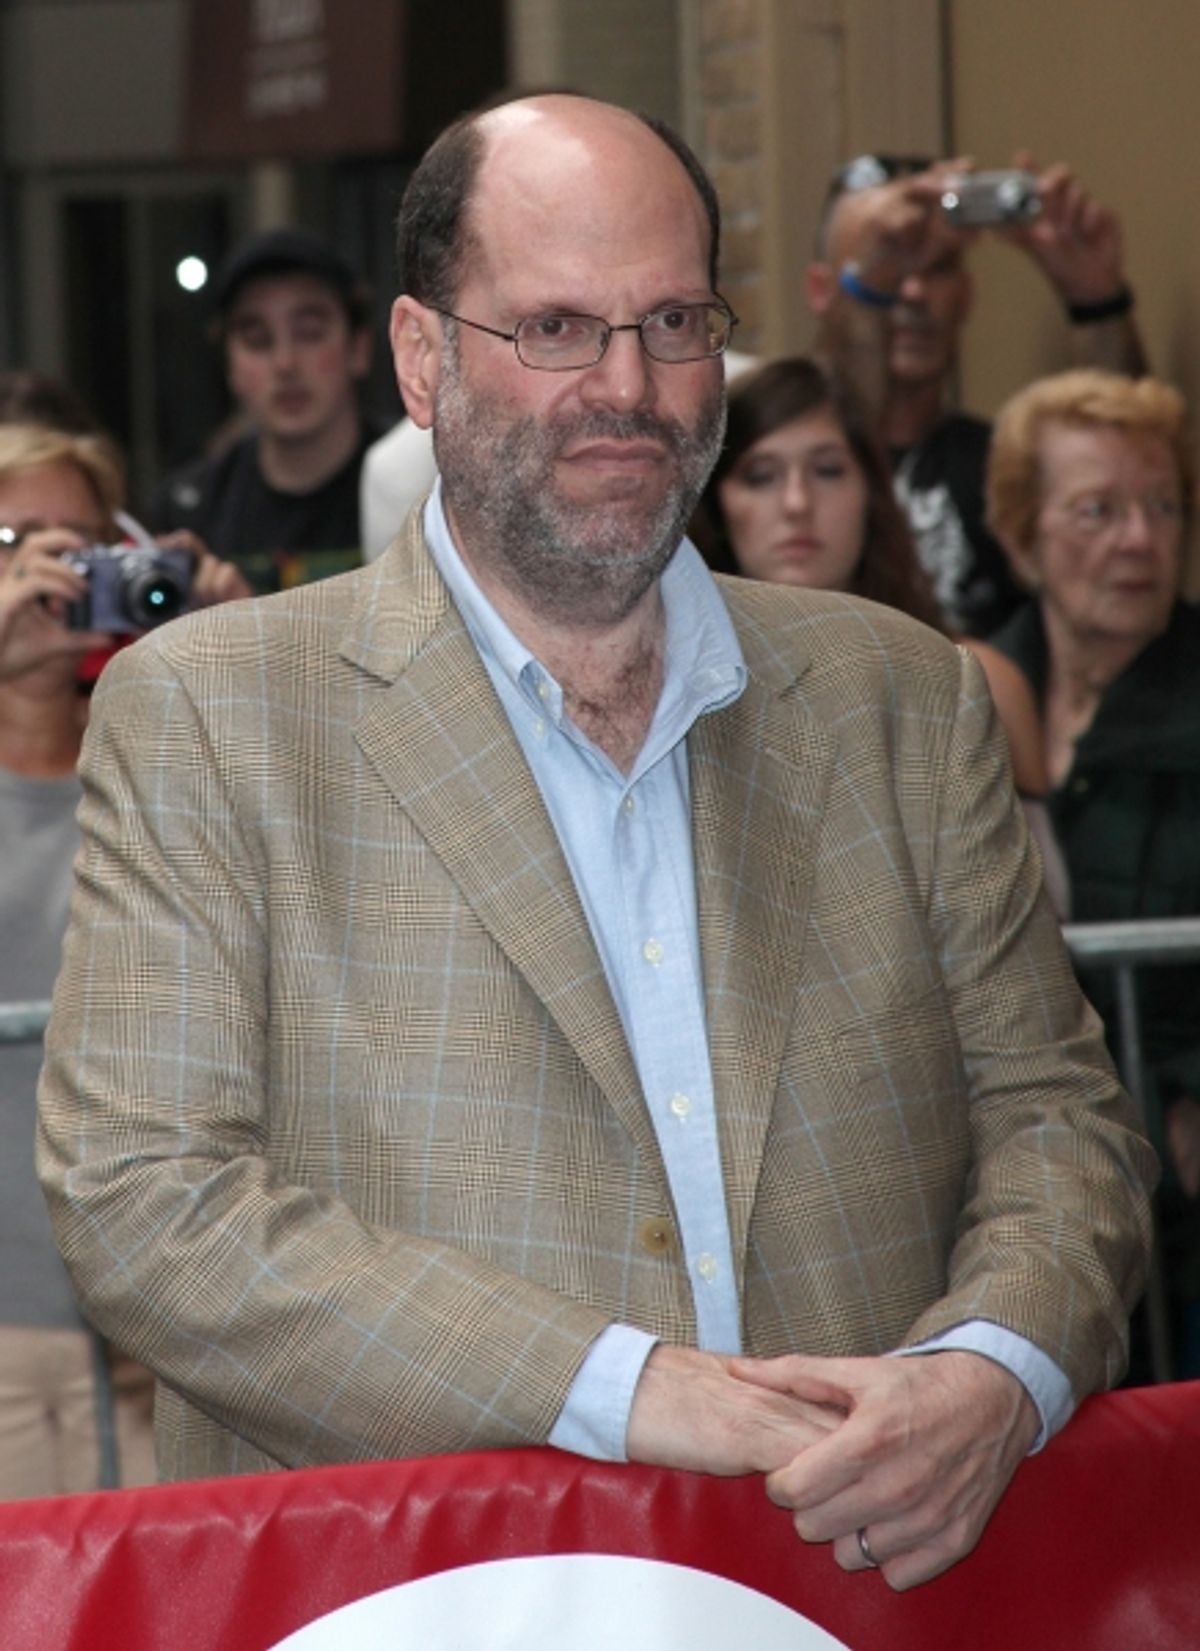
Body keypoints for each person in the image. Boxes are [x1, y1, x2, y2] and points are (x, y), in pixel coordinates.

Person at [38, 96, 1154, 1589]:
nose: (628, 385)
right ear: (424, 359)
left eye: (674, 320)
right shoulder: (218, 716)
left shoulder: (903, 696)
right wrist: (629, 1385)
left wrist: (992, 1367)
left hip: (863, 1590)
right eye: (556, 327)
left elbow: (1061, 1123)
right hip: (427, 1598)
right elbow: (146, 1201)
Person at [0, 421, 246, 1498]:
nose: (54, 570)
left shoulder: (165, 740)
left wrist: (244, 667)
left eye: (83, 540)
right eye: (16, 538)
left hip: (160, 1335)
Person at [985, 368, 1200, 1377]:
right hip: (1034, 1183)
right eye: (1098, 510)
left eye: (1161, 507)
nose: (1138, 541)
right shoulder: (966, 695)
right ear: (1022, 534)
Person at [692, 354, 1069, 916]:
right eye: (762, 476)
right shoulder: (679, 690)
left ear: (872, 491)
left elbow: (1043, 918)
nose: (797, 504)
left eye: (827, 470)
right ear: (719, 503)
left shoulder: (974, 678)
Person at [806, 152, 1148, 637]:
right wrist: (867, 299)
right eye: (888, 261)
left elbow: (1131, 478)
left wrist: (1096, 301)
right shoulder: (773, 466)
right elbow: (841, 433)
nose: (912, 292)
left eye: (938, 267)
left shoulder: (1000, 465)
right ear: (822, 291)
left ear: (967, 294)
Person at [146, 228, 381, 592]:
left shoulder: (420, 485)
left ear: (359, 349)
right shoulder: (187, 512)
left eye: (310, 333)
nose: (285, 364)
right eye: (258, 341)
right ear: (229, 363)